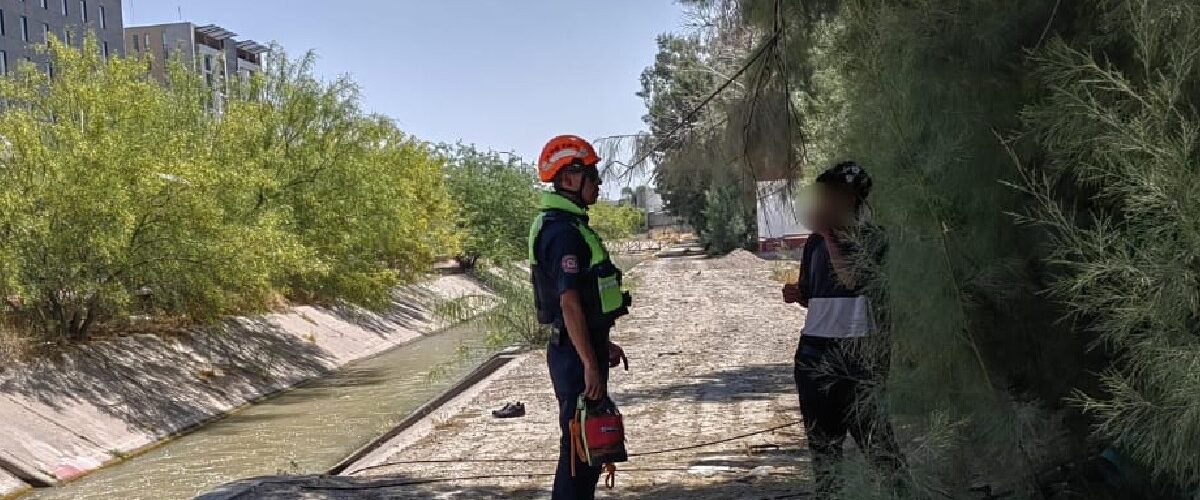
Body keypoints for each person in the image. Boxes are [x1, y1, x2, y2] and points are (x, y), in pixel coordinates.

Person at [782, 161, 903, 496]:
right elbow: (811, 295)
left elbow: (852, 280)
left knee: (881, 451)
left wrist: (827, 236)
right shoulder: (814, 245)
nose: (823, 202)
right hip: (813, 355)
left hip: (859, 358)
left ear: (851, 200)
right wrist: (796, 293)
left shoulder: (873, 240)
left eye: (831, 196)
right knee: (824, 454)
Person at [529, 135, 632, 500]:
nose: (599, 182)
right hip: (574, 357)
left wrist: (602, 343)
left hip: (580, 349)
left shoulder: (570, 226)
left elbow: (584, 303)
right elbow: (569, 302)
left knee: (589, 448)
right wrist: (589, 361)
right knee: (578, 447)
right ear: (569, 178)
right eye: (591, 174)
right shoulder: (562, 233)